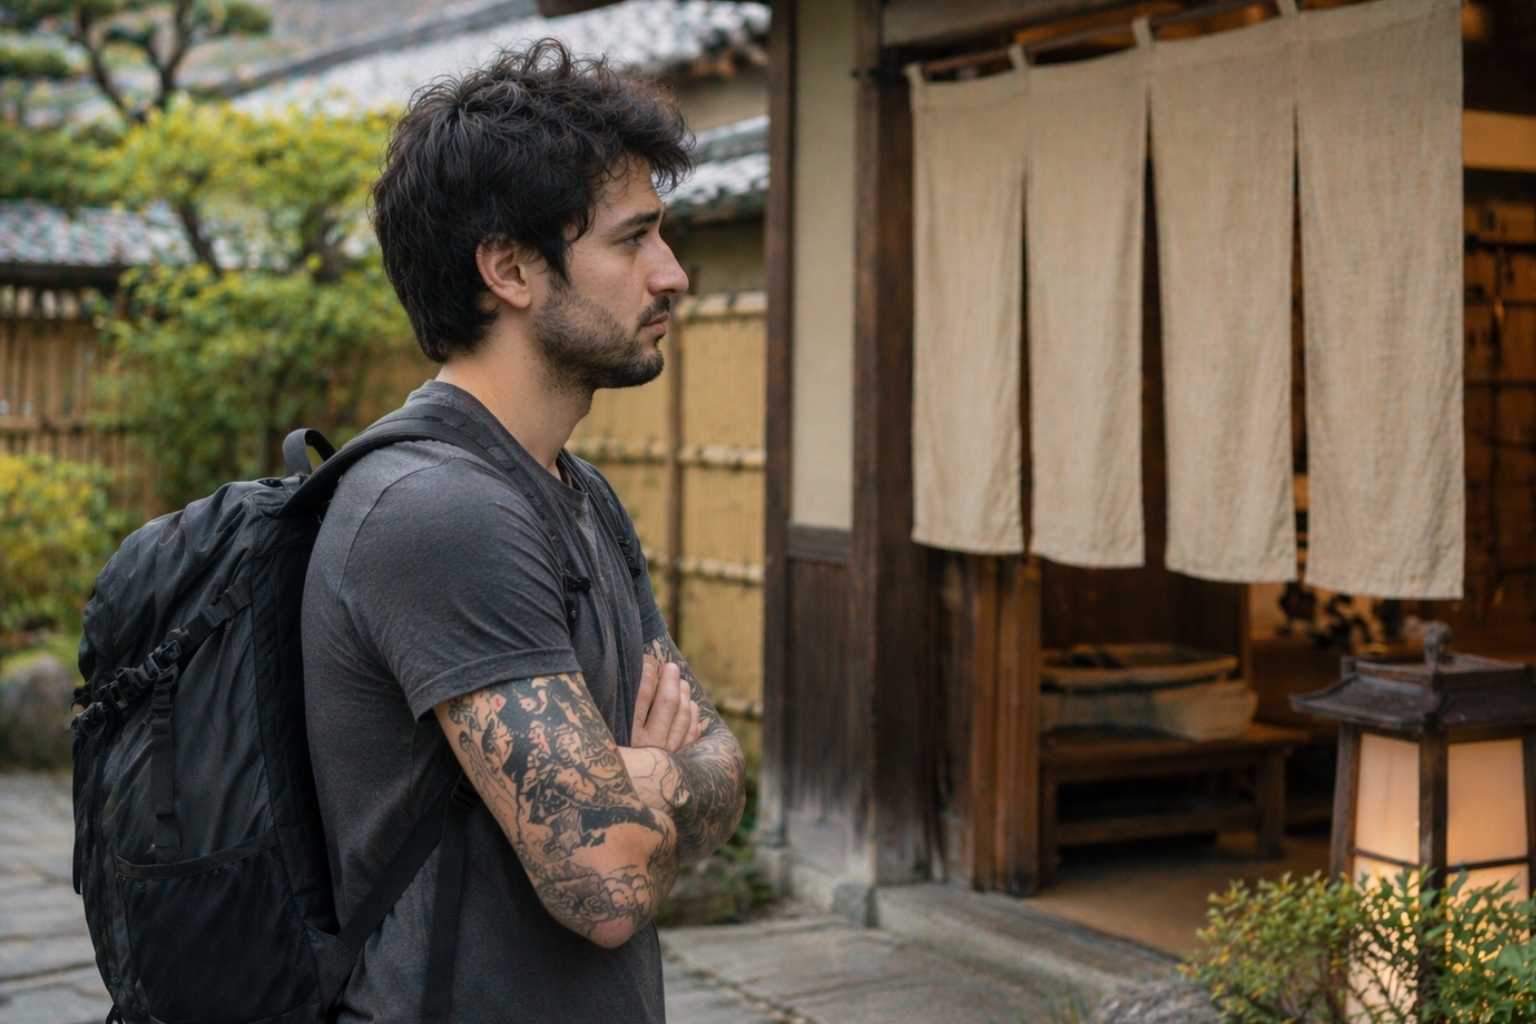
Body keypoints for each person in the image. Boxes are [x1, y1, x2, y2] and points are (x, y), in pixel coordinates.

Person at [301, 39, 746, 1022]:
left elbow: (724, 762)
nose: (671, 274)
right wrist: (649, 777)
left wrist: (647, 776)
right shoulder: (438, 512)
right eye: (633, 241)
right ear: (508, 268)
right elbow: (609, 886)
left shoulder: (577, 493)